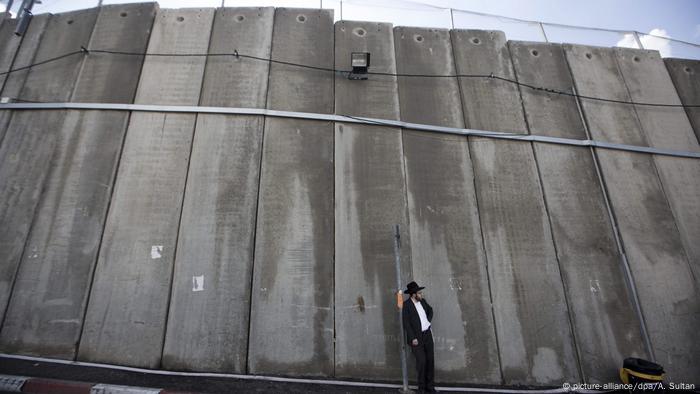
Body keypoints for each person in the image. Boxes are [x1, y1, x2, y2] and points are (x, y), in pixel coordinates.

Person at [402, 281, 435, 393]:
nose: (421, 294)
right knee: (421, 362)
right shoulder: (406, 305)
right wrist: (412, 338)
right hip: (416, 338)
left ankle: (430, 387)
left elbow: (430, 310)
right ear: (413, 294)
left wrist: (428, 321)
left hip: (427, 335)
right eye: (419, 293)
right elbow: (406, 323)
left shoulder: (423, 302)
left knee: (430, 361)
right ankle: (421, 389)